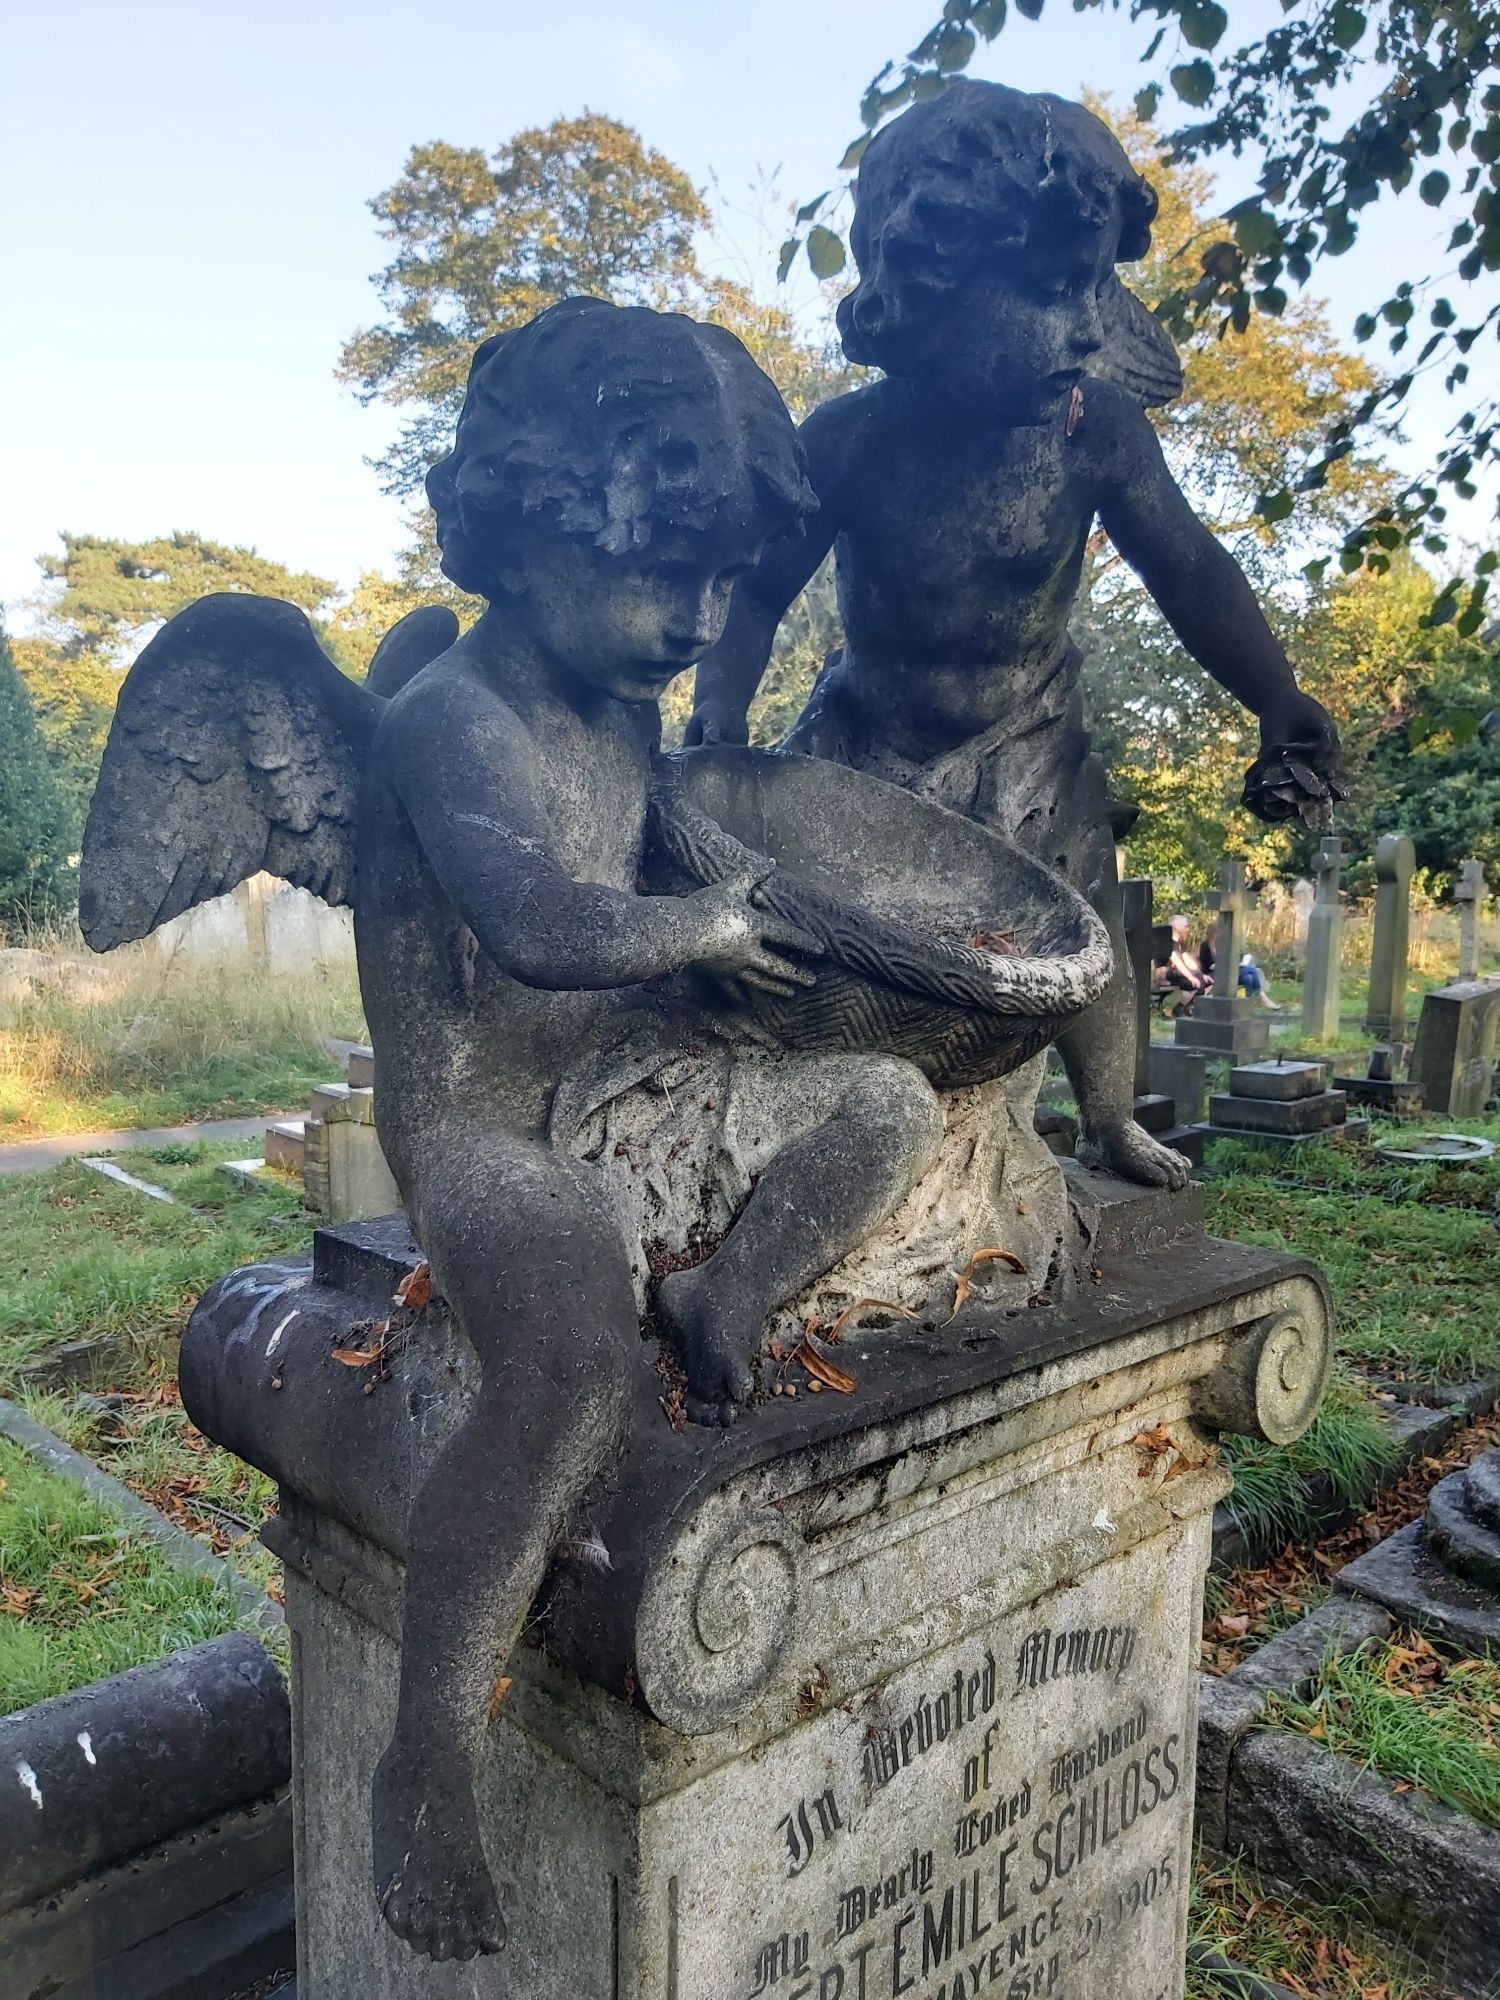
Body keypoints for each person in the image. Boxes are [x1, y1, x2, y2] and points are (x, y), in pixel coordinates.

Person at [358, 299, 950, 1960]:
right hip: (486, 1125)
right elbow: (541, 917)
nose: (699, 620)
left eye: (724, 587)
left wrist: (798, 934)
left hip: (630, 1077)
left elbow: (669, 860)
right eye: (664, 574)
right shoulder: (444, 716)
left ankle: (726, 1294)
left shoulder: (624, 711)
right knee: (560, 1350)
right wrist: (708, 929)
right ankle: (426, 1756)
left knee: (883, 1106)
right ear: (537, 524)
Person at [686, 81, 1342, 1194]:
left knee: (1086, 931)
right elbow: (753, 593)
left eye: (1097, 289)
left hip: (1033, 729)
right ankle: (830, 1118)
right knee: (834, 937)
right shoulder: (850, 442)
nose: (1089, 325)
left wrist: (1275, 693)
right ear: (928, 292)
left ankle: (1105, 1118)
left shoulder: (1098, 435)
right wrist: (718, 716)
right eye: (1051, 291)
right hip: (873, 732)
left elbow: (1189, 566)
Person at [1201, 919, 1281, 1009]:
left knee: (1248, 978)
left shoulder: (1226, 944)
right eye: (1219, 933)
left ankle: (1244, 1006)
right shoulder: (1205, 946)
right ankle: (1262, 998)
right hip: (1214, 975)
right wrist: (1220, 963)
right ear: (1212, 933)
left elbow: (1232, 960)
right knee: (1251, 970)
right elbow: (1206, 966)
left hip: (1229, 973)